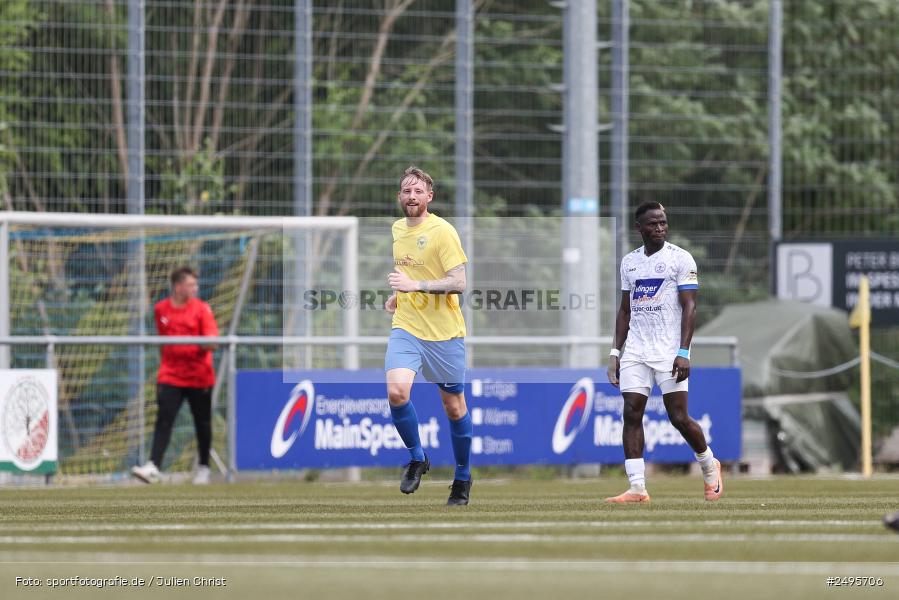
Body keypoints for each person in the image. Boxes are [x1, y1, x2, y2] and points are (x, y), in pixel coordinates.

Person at [605, 201, 723, 503]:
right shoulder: (629, 263)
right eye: (653, 224)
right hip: (636, 350)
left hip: (670, 351)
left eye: (663, 223)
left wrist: (683, 351)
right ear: (639, 228)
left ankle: (709, 465)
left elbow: (690, 306)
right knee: (631, 412)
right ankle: (637, 487)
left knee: (679, 417)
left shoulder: (680, 259)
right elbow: (624, 310)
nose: (660, 228)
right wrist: (615, 353)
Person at [384, 166, 473, 506]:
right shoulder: (396, 229)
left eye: (418, 192)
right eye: (407, 191)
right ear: (400, 197)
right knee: (396, 391)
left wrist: (415, 286)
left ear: (429, 197)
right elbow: (409, 270)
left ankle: (462, 479)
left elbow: (459, 283)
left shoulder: (443, 232)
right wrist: (399, 295)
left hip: (445, 333)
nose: (412, 197)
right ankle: (417, 457)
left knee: (453, 407)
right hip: (407, 327)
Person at [132, 267, 219, 485]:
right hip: (171, 375)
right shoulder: (161, 310)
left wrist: (197, 341)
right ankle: (153, 466)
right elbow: (163, 342)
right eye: (191, 285)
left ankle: (203, 468)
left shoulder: (202, 309)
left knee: (203, 423)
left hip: (199, 376)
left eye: (196, 285)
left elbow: (213, 341)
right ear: (178, 286)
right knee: (164, 419)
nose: (195, 289)